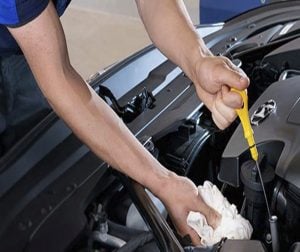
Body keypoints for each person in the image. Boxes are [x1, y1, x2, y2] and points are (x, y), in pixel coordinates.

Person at [0, 0, 249, 245]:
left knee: (35, 149)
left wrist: (198, 62)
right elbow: (59, 81)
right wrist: (164, 182)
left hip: (20, 38)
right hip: (21, 28)